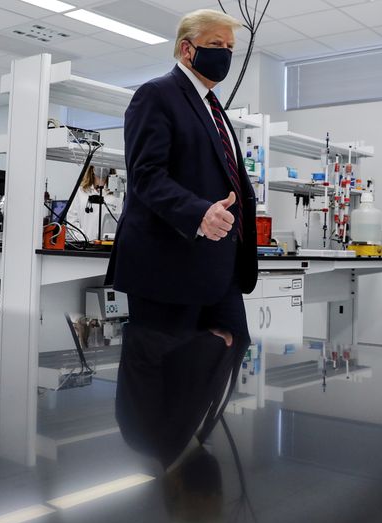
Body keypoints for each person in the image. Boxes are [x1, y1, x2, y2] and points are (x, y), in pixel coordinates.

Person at [105, 8, 257, 339]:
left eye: (231, 48)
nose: (226, 54)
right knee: (166, 385)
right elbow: (146, 175)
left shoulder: (213, 107)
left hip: (218, 270)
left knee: (225, 364)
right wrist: (199, 212)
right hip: (170, 271)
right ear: (187, 49)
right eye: (216, 44)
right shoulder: (157, 95)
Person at [65, 165, 122, 241]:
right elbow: (71, 219)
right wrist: (83, 239)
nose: (102, 166)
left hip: (109, 246)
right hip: (85, 245)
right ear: (92, 167)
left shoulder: (118, 194)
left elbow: (121, 221)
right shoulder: (81, 191)